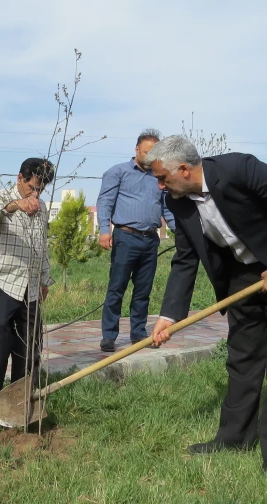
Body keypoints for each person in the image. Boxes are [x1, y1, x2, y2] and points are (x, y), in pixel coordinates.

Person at [147, 136, 267, 476]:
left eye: (162, 177)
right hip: (242, 275)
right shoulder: (177, 200)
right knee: (243, 358)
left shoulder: (240, 170)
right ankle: (234, 437)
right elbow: (186, 258)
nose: (159, 185)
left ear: (184, 169)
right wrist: (169, 315)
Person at [0, 158, 56, 408]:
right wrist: (16, 205)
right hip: (0, 279)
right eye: (32, 187)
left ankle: (21, 396)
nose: (36, 193)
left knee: (30, 342)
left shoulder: (40, 209)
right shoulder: (0, 197)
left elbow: (41, 246)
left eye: (41, 189)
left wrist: (43, 280)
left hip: (30, 285)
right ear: (20, 178)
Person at [96, 128, 175, 352]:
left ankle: (138, 332)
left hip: (150, 240)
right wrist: (104, 230)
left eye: (155, 153)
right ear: (137, 149)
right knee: (116, 288)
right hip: (125, 238)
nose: (150, 157)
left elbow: (166, 209)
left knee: (143, 289)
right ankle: (109, 336)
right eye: (147, 152)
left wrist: (180, 230)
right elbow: (105, 202)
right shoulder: (118, 172)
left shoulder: (159, 177)